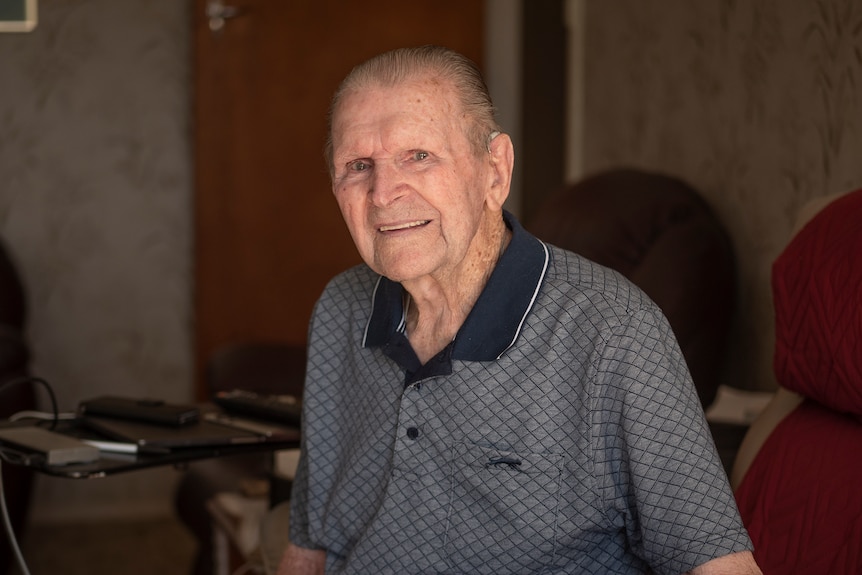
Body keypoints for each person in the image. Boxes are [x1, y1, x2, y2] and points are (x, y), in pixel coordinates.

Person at [271, 45, 761, 575]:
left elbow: (720, 566)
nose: (384, 193)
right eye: (358, 166)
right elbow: (310, 540)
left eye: (420, 156)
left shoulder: (611, 331)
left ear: (494, 171)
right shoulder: (341, 308)